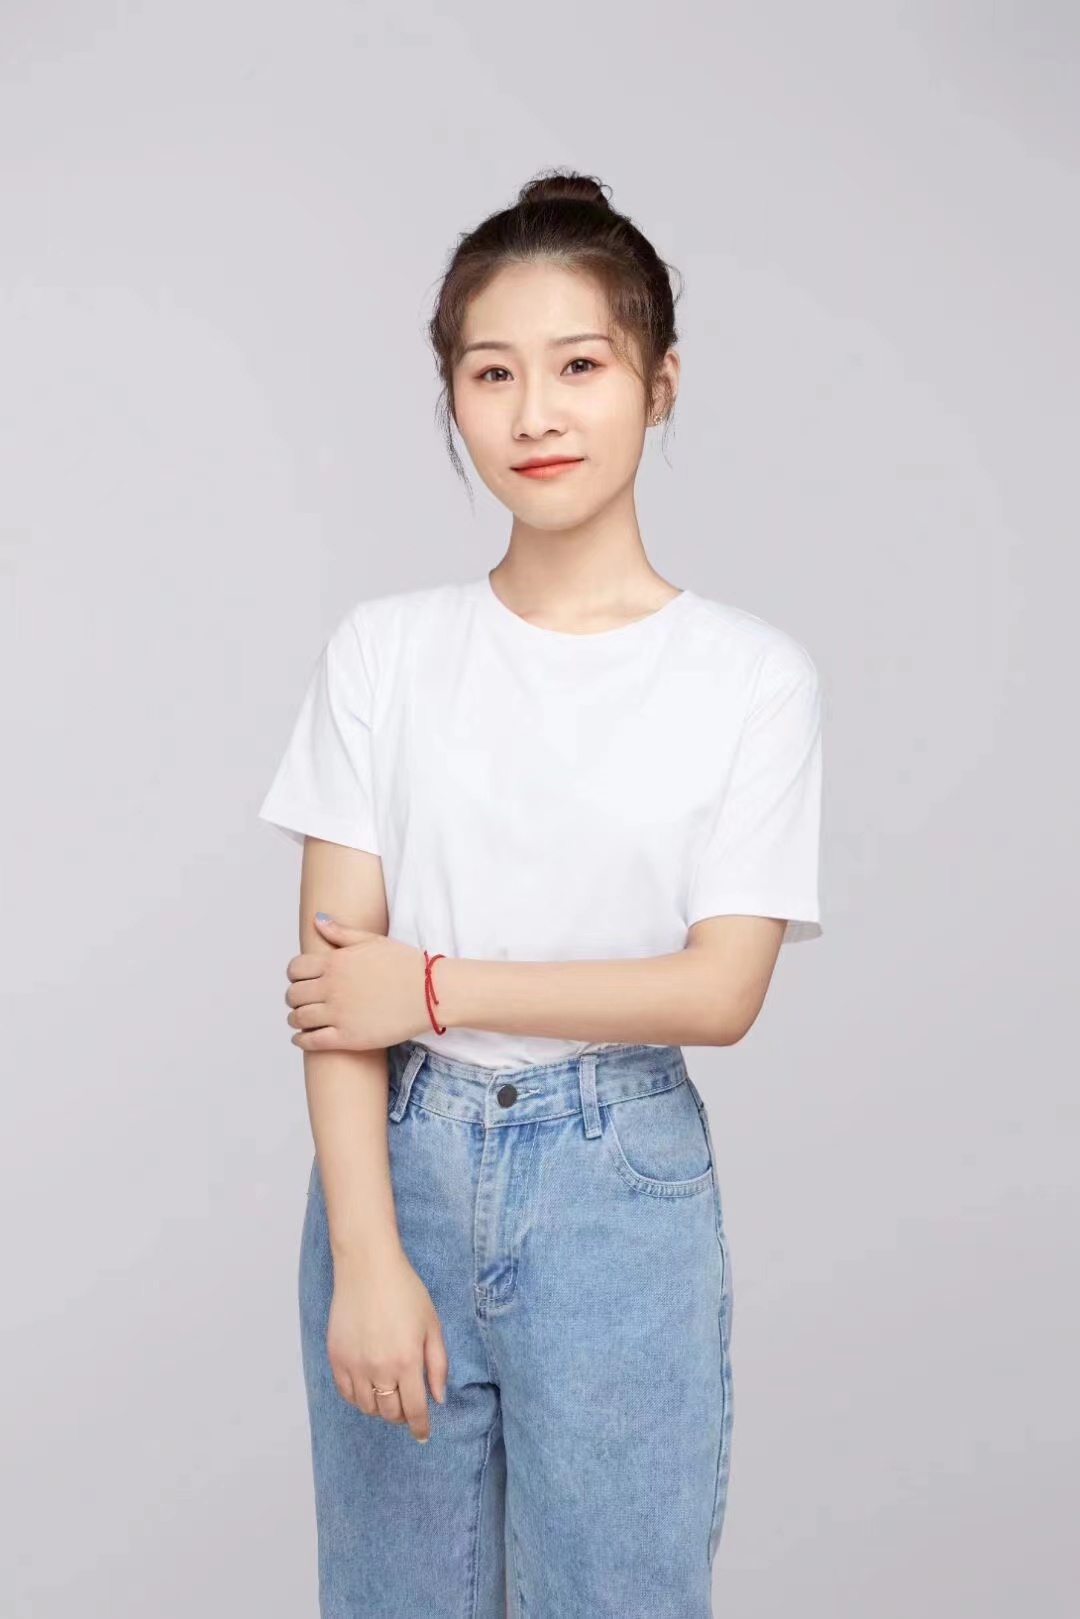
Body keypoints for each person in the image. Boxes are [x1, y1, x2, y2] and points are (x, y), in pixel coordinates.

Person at [257, 169, 824, 1619]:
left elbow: (721, 990)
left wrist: (432, 985)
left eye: (581, 366)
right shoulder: (385, 655)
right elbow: (337, 1002)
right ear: (452, 397)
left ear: (660, 383)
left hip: (618, 1189)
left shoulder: (750, 678)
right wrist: (367, 1259)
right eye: (491, 372)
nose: (534, 414)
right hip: (400, 1165)